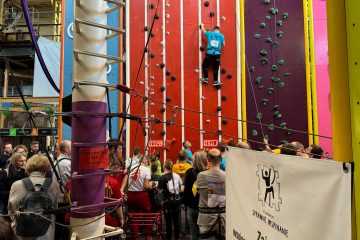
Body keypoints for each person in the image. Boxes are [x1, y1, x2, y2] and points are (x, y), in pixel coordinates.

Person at [8, 154, 60, 240]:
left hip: (21, 232)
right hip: (45, 233)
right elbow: (54, 209)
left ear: (28, 167)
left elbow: (11, 210)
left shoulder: (16, 184)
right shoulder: (53, 185)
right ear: (47, 168)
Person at [121, 155, 154, 240]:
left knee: (133, 215)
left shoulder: (131, 167)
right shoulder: (147, 169)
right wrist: (152, 186)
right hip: (142, 195)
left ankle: (135, 236)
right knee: (147, 214)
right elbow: (146, 185)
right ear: (146, 161)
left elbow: (125, 178)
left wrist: (121, 189)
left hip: (130, 195)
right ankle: (148, 235)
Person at [197, 148, 226, 239]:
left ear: (208, 159)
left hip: (206, 219)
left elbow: (199, 192)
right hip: (223, 218)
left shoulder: (201, 175)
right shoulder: (226, 176)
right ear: (220, 159)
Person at [184, 150, 208, 240]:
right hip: (204, 208)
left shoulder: (189, 172)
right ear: (205, 160)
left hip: (191, 207)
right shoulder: (208, 173)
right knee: (204, 234)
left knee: (193, 233)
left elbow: (186, 191)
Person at [158, 160, 183, 240]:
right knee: (177, 223)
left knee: (168, 223)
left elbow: (159, 192)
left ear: (164, 167)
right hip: (176, 201)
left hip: (167, 203)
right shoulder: (177, 176)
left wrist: (160, 202)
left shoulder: (162, 178)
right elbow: (181, 188)